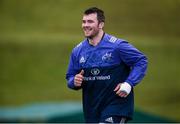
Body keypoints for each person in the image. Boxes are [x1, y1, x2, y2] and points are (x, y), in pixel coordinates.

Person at [66, 7, 148, 123]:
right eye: (84, 21)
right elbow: (70, 76)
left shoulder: (117, 46)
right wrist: (74, 81)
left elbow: (141, 61)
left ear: (101, 24)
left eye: (90, 21)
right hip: (92, 109)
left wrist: (129, 84)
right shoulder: (77, 51)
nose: (85, 25)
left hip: (116, 106)